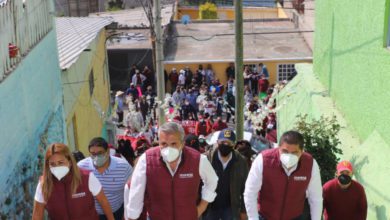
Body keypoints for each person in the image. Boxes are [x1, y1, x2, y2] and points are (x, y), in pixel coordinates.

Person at [126, 122, 219, 220]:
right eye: (164, 144)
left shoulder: (197, 159)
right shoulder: (146, 160)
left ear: (182, 143)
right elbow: (136, 192)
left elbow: (212, 180)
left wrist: (201, 207)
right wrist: (133, 215)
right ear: (159, 142)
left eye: (173, 144)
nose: (168, 148)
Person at [244, 131, 322, 220]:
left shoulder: (310, 164)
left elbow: (316, 198)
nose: (289, 156)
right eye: (285, 151)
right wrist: (253, 218)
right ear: (278, 148)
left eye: (294, 152)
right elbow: (250, 192)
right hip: (265, 216)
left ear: (302, 151)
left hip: (294, 217)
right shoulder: (263, 161)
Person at [32, 143, 114, 220]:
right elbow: (37, 215)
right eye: (52, 164)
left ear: (70, 162)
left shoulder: (87, 178)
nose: (57, 167)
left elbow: (104, 202)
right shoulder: (43, 184)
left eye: (61, 162)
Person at [78, 137, 133, 220]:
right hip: (93, 214)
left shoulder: (123, 167)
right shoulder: (82, 167)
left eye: (100, 153)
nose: (96, 157)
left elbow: (131, 190)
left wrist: (126, 213)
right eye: (93, 154)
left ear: (107, 152)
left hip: (118, 212)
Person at [204, 129, 249, 220]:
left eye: (229, 143)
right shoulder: (206, 159)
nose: (225, 145)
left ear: (234, 145)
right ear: (217, 142)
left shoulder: (241, 162)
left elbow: (246, 188)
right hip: (209, 206)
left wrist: (244, 211)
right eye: (222, 142)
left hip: (230, 207)